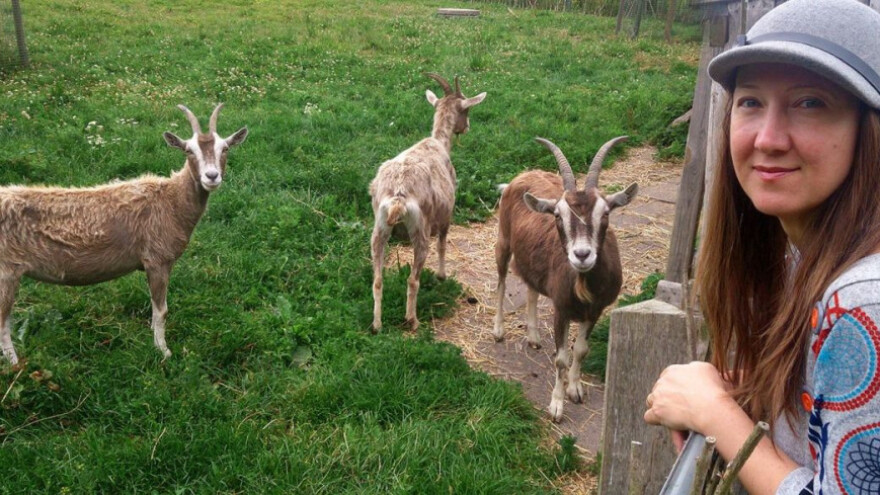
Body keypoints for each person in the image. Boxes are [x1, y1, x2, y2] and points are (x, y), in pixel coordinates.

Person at [643, 0, 880, 493]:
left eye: (810, 102)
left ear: (869, 128)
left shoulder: (864, 301)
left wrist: (718, 416)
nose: (768, 138)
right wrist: (766, 386)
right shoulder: (804, 256)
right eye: (750, 102)